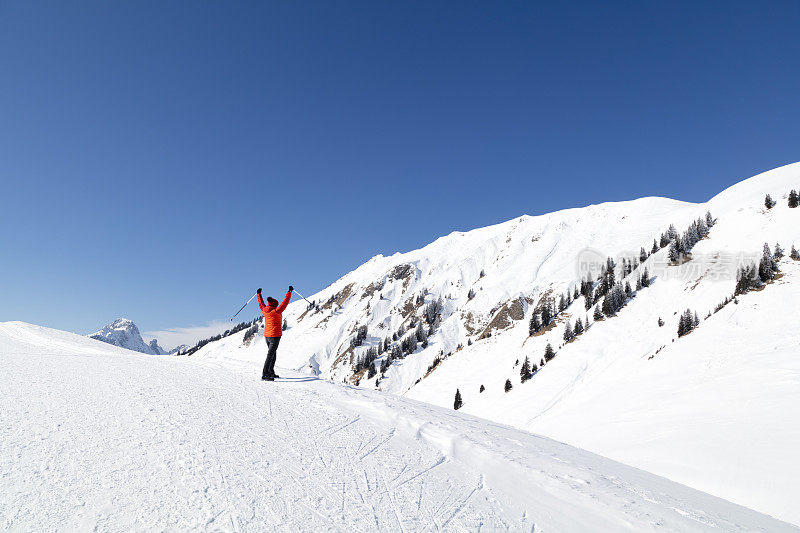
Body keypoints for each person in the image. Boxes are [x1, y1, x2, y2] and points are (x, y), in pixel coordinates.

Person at [257, 286, 293, 380]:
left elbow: (261, 304)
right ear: (274, 305)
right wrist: (289, 292)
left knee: (273, 354)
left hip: (267, 336)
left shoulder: (265, 311)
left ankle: (270, 372)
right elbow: (285, 303)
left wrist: (258, 294)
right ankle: (265, 374)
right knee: (270, 355)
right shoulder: (276, 311)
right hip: (275, 336)